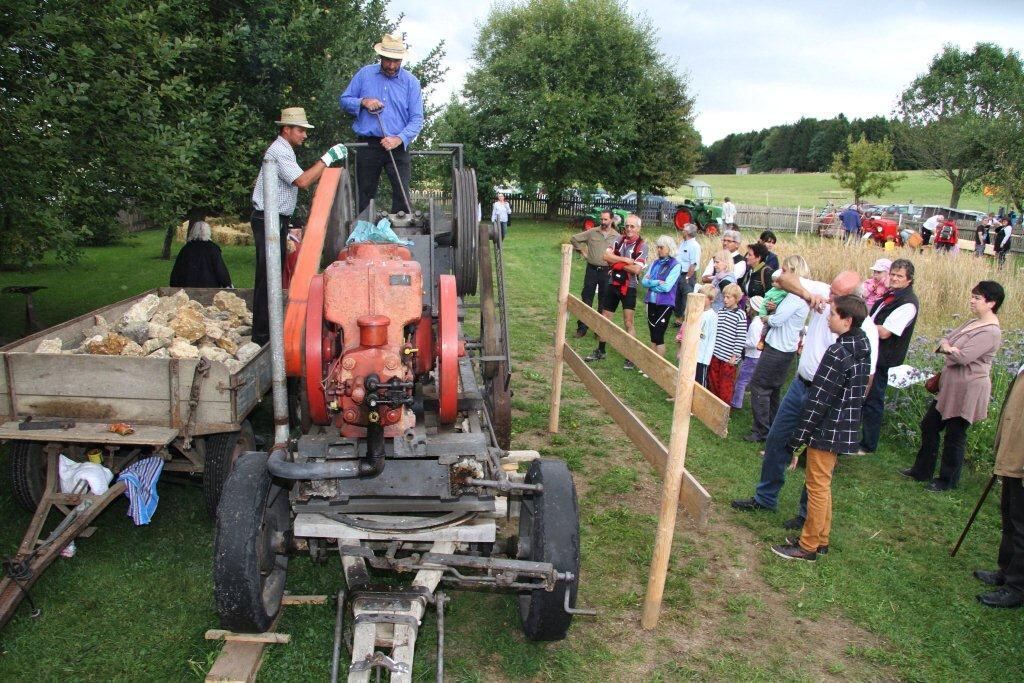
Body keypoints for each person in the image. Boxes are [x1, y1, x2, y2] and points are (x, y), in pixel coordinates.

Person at [732, 269, 879, 528]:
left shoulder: (864, 328)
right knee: (778, 439)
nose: (830, 296)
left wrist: (851, 409)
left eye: (837, 295)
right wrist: (806, 294)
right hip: (801, 386)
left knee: (817, 457)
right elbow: (780, 276)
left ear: (853, 301)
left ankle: (806, 515)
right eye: (830, 290)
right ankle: (765, 497)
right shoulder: (823, 298)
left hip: (829, 397)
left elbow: (867, 374)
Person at [771, 295, 871, 562]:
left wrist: (799, 437)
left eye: (833, 315)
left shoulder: (837, 352)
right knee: (823, 484)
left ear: (847, 320)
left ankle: (808, 545)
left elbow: (819, 399)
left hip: (828, 428)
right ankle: (821, 538)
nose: (828, 318)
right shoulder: (861, 345)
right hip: (844, 426)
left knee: (816, 486)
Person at [250, 107, 346, 345]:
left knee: (272, 273)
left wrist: (288, 223)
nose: (304, 135)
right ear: (286, 129)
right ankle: (262, 336)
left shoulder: (285, 150)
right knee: (268, 275)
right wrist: (327, 159)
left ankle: (266, 329)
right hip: (267, 219)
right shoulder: (279, 151)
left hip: (275, 218)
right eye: (301, 130)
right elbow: (302, 181)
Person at [901, 281, 1003, 491]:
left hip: (968, 388)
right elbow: (945, 341)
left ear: (991, 303)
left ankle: (947, 480)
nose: (972, 301)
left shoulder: (991, 331)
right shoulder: (971, 323)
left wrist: (949, 348)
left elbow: (963, 357)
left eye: (977, 298)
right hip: (950, 386)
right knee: (929, 424)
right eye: (972, 296)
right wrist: (948, 347)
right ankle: (922, 470)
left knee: (955, 434)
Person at [339, 34, 424, 214]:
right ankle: (364, 233)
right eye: (387, 60)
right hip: (368, 144)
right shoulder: (364, 74)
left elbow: (417, 119)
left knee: (402, 195)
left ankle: (401, 235)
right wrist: (363, 102)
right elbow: (345, 100)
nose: (391, 66)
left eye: (396, 61)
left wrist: (398, 139)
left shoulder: (411, 83)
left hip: (398, 146)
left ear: (401, 59)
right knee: (365, 194)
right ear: (380, 57)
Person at [744, 256, 810, 443]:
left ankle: (761, 429)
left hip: (778, 348)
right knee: (773, 389)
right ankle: (772, 425)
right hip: (784, 348)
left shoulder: (795, 297)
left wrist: (767, 318)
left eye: (785, 271)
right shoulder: (794, 296)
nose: (781, 275)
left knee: (760, 386)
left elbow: (777, 320)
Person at [974, 364, 1024, 609]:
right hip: (1014, 454)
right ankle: (1005, 570)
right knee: (1009, 518)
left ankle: (1016, 588)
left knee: (1022, 525)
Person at [857, 259, 918, 455]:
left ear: (909, 280)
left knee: (873, 399)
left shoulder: (908, 303)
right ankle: (853, 435)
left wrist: (858, 325)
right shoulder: (890, 295)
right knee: (862, 396)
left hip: (884, 357)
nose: (894, 278)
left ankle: (868, 444)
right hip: (871, 352)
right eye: (892, 274)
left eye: (899, 276)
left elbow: (885, 332)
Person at [585, 215, 647, 369]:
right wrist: (625, 260)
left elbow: (636, 269)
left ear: (638, 228)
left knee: (628, 322)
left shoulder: (642, 246)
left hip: (629, 286)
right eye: (627, 226)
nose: (629, 229)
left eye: (632, 226)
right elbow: (605, 256)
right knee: (605, 317)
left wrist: (616, 262)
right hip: (613, 283)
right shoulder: (618, 240)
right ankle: (601, 350)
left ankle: (630, 356)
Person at [570, 210, 618, 338]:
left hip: (606, 271)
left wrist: (615, 265)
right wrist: (582, 251)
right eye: (601, 219)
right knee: (586, 298)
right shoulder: (592, 232)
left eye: (605, 220)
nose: (603, 222)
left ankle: (599, 330)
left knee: (604, 300)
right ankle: (582, 328)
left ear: (611, 220)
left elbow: (620, 254)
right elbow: (574, 239)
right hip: (591, 270)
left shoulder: (617, 236)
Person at [640, 236, 682, 358]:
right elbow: (644, 281)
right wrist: (657, 282)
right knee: (653, 334)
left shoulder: (675, 265)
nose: (658, 250)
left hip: (665, 303)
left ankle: (659, 367)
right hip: (651, 301)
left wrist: (651, 283)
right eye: (658, 247)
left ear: (669, 249)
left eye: (661, 247)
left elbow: (667, 287)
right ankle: (651, 365)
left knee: (658, 335)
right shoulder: (655, 263)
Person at [708, 284, 746, 404]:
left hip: (728, 357)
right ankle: (712, 403)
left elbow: (740, 337)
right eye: (724, 297)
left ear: (736, 298)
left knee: (725, 384)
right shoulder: (721, 311)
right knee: (713, 379)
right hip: (716, 353)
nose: (725, 300)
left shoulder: (740, 315)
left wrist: (734, 355)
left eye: (729, 297)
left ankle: (723, 406)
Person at [169, 221, 232, 288]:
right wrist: (227, 284)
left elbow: (177, 271)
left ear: (193, 232)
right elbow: (220, 269)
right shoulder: (213, 249)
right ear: (208, 232)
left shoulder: (186, 249)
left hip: (188, 288)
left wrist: (174, 284)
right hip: (209, 288)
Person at [731, 295, 764, 410]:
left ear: (754, 308)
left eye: (749, 307)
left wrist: (741, 340)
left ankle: (736, 403)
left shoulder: (755, 324)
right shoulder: (760, 322)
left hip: (752, 356)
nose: (747, 309)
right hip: (757, 356)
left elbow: (753, 342)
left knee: (741, 380)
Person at [672, 223, 701, 323]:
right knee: (678, 296)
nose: (682, 231)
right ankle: (678, 318)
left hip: (687, 275)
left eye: (684, 230)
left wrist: (688, 277)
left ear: (688, 232)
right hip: (679, 274)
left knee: (686, 297)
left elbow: (693, 264)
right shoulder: (683, 243)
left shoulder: (694, 246)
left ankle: (686, 320)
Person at [694, 284, 718, 387]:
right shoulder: (696, 311)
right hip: (692, 352)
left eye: (703, 298)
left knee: (699, 381)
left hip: (702, 356)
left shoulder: (712, 316)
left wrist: (705, 359)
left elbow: (711, 339)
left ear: (711, 299)